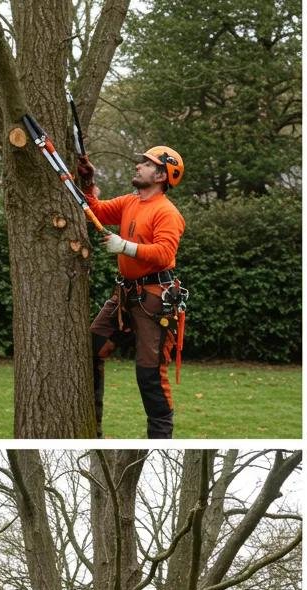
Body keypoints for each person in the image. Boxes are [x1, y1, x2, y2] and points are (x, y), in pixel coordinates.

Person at [77, 147, 186, 439]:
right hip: (125, 294)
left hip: (153, 298)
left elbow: (165, 253)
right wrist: (87, 182)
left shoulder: (167, 212)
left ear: (162, 175)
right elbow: (94, 210)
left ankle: (161, 440)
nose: (138, 167)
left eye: (146, 164)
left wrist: (125, 247)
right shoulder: (130, 202)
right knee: (91, 348)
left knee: (149, 374)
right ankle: (92, 430)